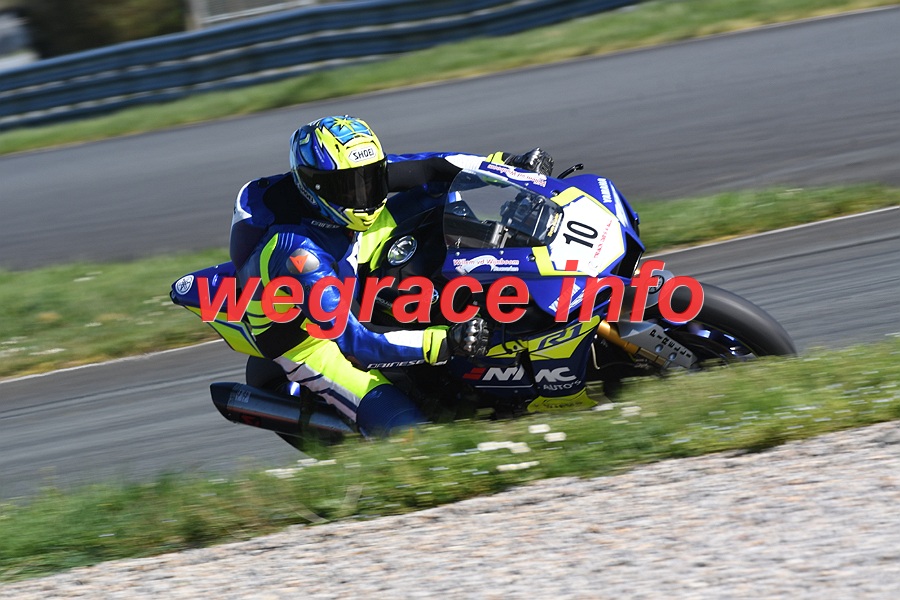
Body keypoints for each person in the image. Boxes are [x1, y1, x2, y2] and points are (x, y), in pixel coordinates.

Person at [229, 115, 553, 437]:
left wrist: (509, 167)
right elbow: (356, 341)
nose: (364, 195)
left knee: (441, 196)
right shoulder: (298, 253)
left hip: (350, 241)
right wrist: (446, 341)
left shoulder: (354, 183)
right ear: (313, 186)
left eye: (370, 179)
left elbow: (431, 167)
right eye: (349, 187)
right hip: (313, 336)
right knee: (411, 437)